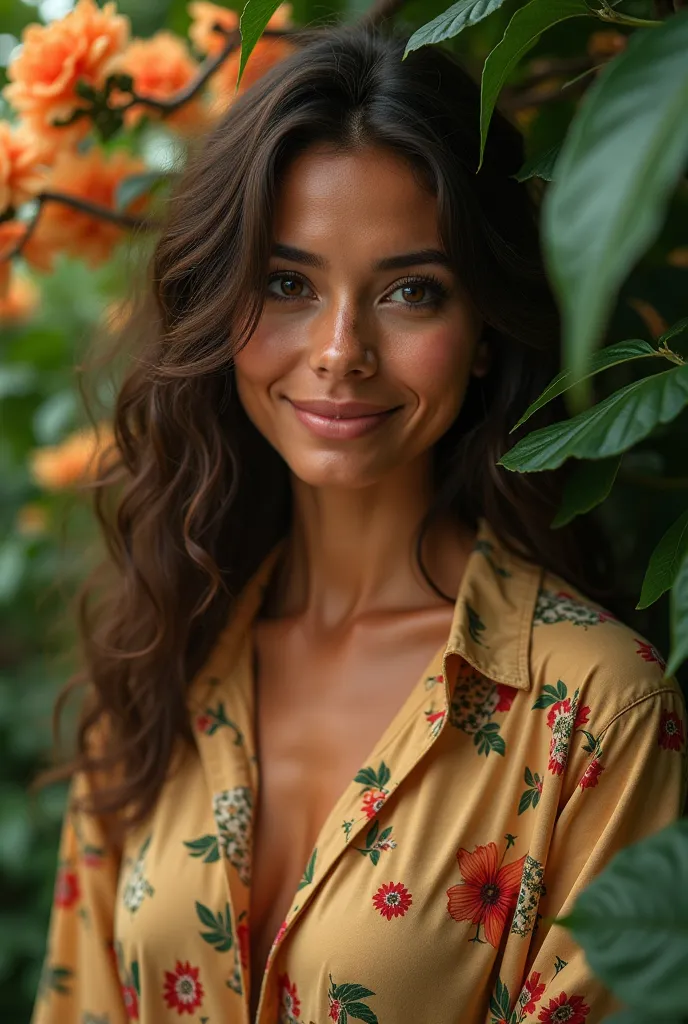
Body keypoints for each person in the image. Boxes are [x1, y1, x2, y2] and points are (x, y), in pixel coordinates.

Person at [31, 20, 686, 1024]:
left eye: (410, 292)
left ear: (479, 335)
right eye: (287, 284)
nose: (341, 351)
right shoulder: (159, 664)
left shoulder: (598, 714)